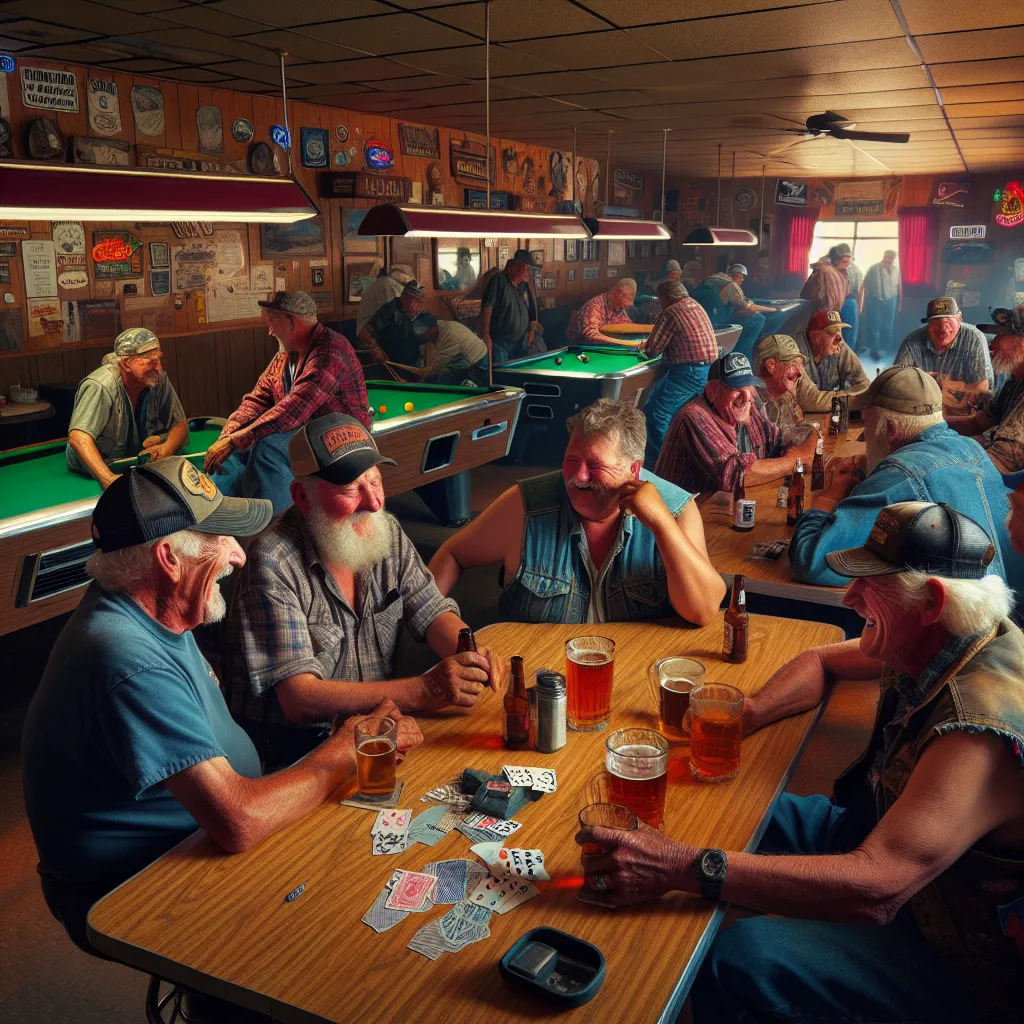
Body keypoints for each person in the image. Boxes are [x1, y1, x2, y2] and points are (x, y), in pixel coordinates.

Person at [576, 501, 1024, 1024]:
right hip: (881, 837)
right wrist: (751, 713)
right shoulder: (944, 635)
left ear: (931, 599)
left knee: (743, 954)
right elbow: (820, 657)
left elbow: (877, 888)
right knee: (741, 804)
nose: (850, 597)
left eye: (871, 583)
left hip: (956, 961)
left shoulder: (978, 731)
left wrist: (682, 867)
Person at [21, 457, 424, 963]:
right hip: (138, 882)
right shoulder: (126, 656)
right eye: (220, 538)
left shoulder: (148, 606)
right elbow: (239, 821)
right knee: (337, 938)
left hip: (201, 831)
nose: (238, 556)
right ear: (168, 558)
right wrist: (344, 750)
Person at [224, 413, 504, 770]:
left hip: (375, 729)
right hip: (292, 753)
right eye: (349, 488)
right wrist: (423, 690)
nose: (373, 503)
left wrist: (470, 651)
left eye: (375, 481)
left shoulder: (381, 529)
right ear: (302, 496)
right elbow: (298, 697)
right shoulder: (272, 560)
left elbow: (432, 610)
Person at [428, 398, 725, 626]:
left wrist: (661, 525)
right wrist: (439, 624)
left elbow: (703, 611)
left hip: (634, 680)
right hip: (539, 680)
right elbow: (453, 555)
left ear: (633, 470)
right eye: (571, 460)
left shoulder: (676, 509)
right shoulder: (525, 504)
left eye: (595, 465)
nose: (578, 476)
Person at [790, 366, 1021, 595]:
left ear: (889, 430)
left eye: (865, 421)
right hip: (1008, 617)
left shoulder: (899, 475)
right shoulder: (971, 449)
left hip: (959, 625)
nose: (865, 435)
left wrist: (828, 498)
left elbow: (813, 563)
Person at [204, 291, 370, 514]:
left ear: (291, 321)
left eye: (272, 322)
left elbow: (293, 410)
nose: (270, 330)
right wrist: (230, 433)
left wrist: (238, 439)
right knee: (233, 449)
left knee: (268, 448)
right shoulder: (285, 354)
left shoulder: (330, 351)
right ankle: (218, 515)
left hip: (344, 437)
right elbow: (257, 398)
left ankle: (275, 528)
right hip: (308, 432)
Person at [654, 351, 817, 495]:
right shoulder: (694, 416)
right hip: (681, 519)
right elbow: (736, 475)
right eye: (736, 388)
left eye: (748, 386)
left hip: (719, 511)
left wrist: (795, 452)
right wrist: (796, 461)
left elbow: (782, 440)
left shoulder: (747, 410)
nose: (747, 397)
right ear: (712, 391)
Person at [67, 328, 187, 489]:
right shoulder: (100, 386)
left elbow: (180, 425)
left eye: (159, 360)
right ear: (126, 363)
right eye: (151, 361)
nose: (158, 368)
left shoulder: (157, 378)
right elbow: (78, 438)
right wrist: (108, 479)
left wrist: (167, 447)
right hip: (93, 471)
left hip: (134, 467)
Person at [639, 280, 719, 456]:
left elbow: (652, 350)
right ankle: (682, 458)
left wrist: (642, 346)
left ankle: (662, 465)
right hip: (707, 370)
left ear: (665, 297)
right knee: (685, 415)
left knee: (656, 415)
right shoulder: (694, 304)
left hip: (688, 372)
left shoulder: (671, 311)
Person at [947, 305, 1024, 474]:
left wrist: (943, 464)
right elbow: (980, 423)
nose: (993, 342)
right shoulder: (1016, 378)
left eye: (1002, 335)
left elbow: (1002, 460)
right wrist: (930, 425)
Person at [895, 296, 994, 416]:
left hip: (963, 414)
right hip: (921, 415)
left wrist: (930, 387)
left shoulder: (974, 338)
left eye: (948, 321)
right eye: (936, 323)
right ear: (928, 324)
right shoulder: (912, 341)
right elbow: (896, 382)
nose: (943, 329)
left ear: (959, 319)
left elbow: (981, 388)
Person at [693, 263, 777, 360]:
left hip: (699, 323)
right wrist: (773, 309)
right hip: (717, 327)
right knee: (758, 319)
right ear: (733, 275)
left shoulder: (708, 281)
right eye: (741, 276)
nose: (742, 279)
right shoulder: (729, 285)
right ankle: (741, 358)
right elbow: (750, 308)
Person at [794, 309, 870, 408]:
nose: (839, 339)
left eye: (839, 331)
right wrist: (849, 398)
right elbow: (809, 400)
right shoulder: (796, 354)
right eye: (831, 332)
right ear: (814, 336)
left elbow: (864, 386)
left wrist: (838, 400)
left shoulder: (839, 348)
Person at [481, 249, 537, 365]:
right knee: (502, 375)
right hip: (501, 344)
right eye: (526, 268)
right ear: (516, 266)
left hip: (521, 342)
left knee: (519, 376)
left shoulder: (523, 285)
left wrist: (531, 330)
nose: (528, 272)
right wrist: (485, 334)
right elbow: (487, 308)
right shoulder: (499, 280)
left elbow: (531, 308)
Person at [358, 279, 428, 369]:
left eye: (421, 302)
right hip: (389, 365)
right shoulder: (388, 310)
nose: (419, 306)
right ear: (404, 295)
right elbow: (363, 332)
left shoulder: (419, 314)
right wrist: (375, 348)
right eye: (416, 300)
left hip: (413, 367)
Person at [753, 334, 805, 427]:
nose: (799, 372)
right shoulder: (753, 406)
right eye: (793, 364)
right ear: (771, 365)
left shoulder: (787, 398)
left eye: (800, 365)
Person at [858, 249, 901, 360]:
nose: (887, 259)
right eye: (886, 257)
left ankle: (886, 350)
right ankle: (875, 351)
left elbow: (899, 286)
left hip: (891, 300)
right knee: (875, 327)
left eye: (890, 258)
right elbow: (863, 285)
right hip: (875, 300)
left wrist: (901, 302)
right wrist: (861, 305)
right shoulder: (873, 269)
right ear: (883, 256)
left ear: (893, 259)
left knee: (888, 326)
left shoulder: (897, 270)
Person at [566, 279, 638, 345]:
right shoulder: (595, 306)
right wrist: (626, 343)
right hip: (582, 346)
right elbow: (591, 335)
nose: (629, 305)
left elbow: (628, 325)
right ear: (618, 293)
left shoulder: (619, 307)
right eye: (628, 298)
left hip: (605, 345)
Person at [355, 263, 414, 334]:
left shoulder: (388, 282)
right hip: (369, 333)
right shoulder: (388, 284)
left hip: (374, 330)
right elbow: (392, 315)